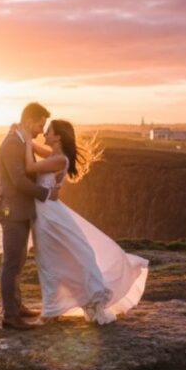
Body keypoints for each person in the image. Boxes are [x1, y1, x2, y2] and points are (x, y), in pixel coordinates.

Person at [23, 119, 148, 324]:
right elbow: (37, 149)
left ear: (58, 137)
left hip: (48, 214)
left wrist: (27, 139)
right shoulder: (54, 155)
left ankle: (50, 312)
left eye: (48, 131)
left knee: (49, 261)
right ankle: (53, 309)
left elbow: (30, 166)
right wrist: (26, 136)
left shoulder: (59, 159)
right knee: (51, 260)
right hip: (46, 211)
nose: (44, 134)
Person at [0, 102, 61, 330]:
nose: (41, 131)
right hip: (12, 211)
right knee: (11, 263)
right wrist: (46, 193)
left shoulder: (21, 141)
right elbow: (19, 181)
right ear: (30, 121)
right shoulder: (13, 144)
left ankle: (17, 306)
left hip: (20, 210)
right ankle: (10, 316)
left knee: (18, 261)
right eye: (40, 125)